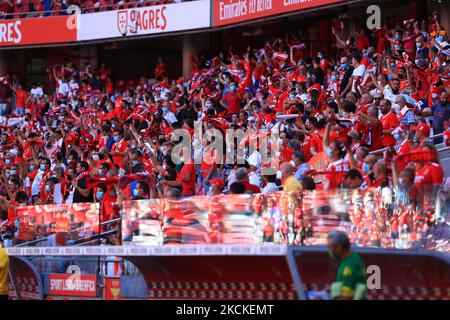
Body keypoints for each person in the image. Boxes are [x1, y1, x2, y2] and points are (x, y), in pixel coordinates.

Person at [327, 231, 367, 300]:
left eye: (330, 247)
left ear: (339, 247)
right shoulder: (354, 257)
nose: (330, 250)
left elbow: (346, 297)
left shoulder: (348, 266)